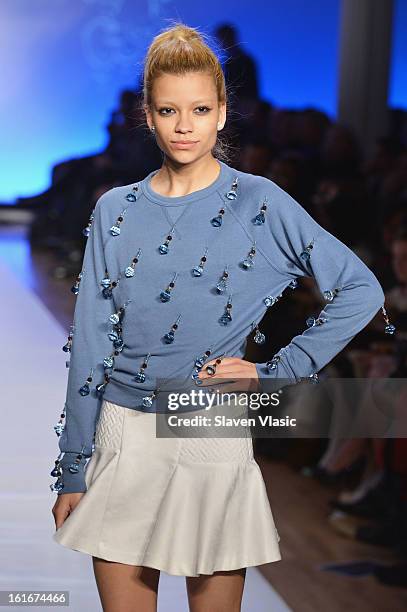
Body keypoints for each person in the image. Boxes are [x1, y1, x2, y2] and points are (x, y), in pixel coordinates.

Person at [51, 22, 390, 612]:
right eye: (169, 109)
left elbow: (360, 289)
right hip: (122, 432)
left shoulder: (260, 203)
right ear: (148, 116)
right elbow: (90, 347)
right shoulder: (115, 210)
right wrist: (72, 469)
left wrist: (279, 370)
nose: (185, 125)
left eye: (201, 108)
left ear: (223, 114)